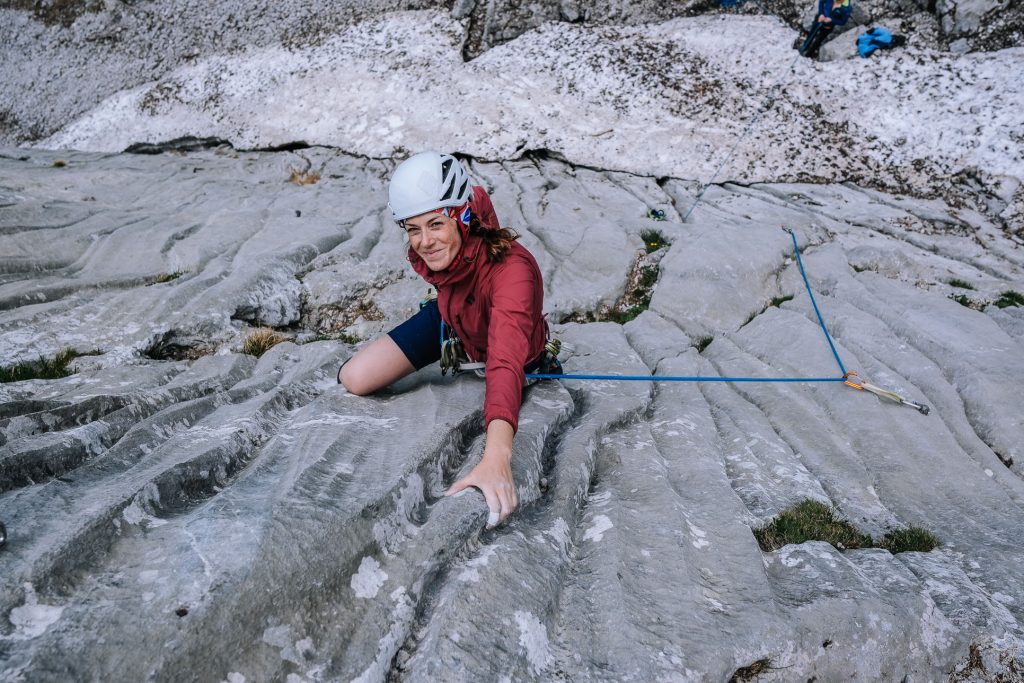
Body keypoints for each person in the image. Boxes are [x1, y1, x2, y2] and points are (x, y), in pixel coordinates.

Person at [339, 151, 557, 529]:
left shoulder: (513, 274)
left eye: (435, 224)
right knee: (355, 378)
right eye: (413, 229)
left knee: (501, 358)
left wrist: (497, 458)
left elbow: (505, 364)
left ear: (463, 216)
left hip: (505, 345)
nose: (424, 241)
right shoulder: (453, 240)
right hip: (451, 318)